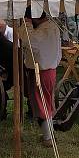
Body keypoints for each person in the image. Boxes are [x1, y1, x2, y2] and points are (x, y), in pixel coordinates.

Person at [19, 8, 62, 147]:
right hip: (49, 69)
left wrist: (28, 25)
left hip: (41, 70)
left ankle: (48, 138)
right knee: (46, 102)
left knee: (41, 103)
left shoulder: (43, 31)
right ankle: (48, 134)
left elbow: (27, 41)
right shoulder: (52, 26)